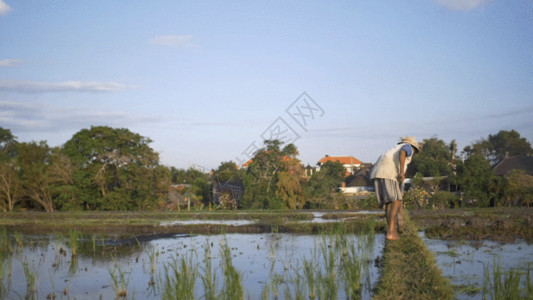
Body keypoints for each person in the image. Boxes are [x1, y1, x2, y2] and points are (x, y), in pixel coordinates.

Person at [370, 136, 420, 240]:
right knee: (396, 202)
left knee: (390, 202)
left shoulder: (393, 150)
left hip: (377, 172)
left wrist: (400, 189)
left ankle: (392, 230)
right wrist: (402, 172)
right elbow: (403, 153)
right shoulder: (407, 147)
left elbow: (399, 180)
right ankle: (391, 232)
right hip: (388, 173)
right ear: (414, 148)